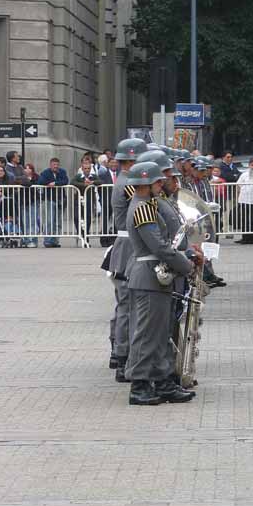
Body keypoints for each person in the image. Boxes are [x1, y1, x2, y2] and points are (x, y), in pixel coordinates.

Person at [123, 161, 201, 405]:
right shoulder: (143, 209)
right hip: (149, 274)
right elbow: (159, 247)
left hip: (154, 276)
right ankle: (140, 384)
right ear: (146, 183)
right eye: (158, 181)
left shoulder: (149, 205)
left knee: (159, 334)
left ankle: (163, 380)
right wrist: (186, 265)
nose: (161, 184)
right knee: (147, 334)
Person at [107, 137, 148, 378]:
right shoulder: (129, 184)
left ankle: (120, 351)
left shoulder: (124, 179)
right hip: (128, 247)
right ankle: (122, 353)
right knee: (128, 306)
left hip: (125, 245)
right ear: (131, 161)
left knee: (125, 304)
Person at [37, 157, 69, 247]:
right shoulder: (45, 172)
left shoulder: (62, 172)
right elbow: (41, 181)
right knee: (49, 220)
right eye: (54, 164)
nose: (56, 166)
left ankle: (55, 241)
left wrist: (54, 183)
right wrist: (50, 183)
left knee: (58, 222)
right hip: (49, 199)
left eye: (57, 165)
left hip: (60, 199)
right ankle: (47, 241)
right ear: (50, 165)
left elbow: (65, 181)